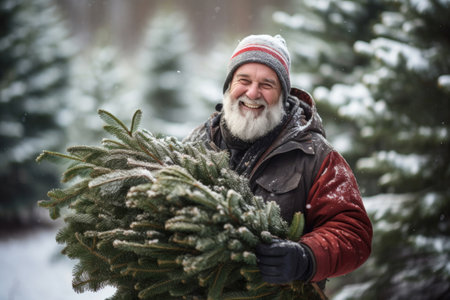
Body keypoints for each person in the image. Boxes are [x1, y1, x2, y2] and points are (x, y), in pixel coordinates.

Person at [185, 34, 372, 289]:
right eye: (244, 80)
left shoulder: (316, 155)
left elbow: (354, 233)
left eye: (267, 84)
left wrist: (306, 257)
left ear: (283, 94)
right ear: (229, 86)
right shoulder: (196, 142)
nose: (252, 93)